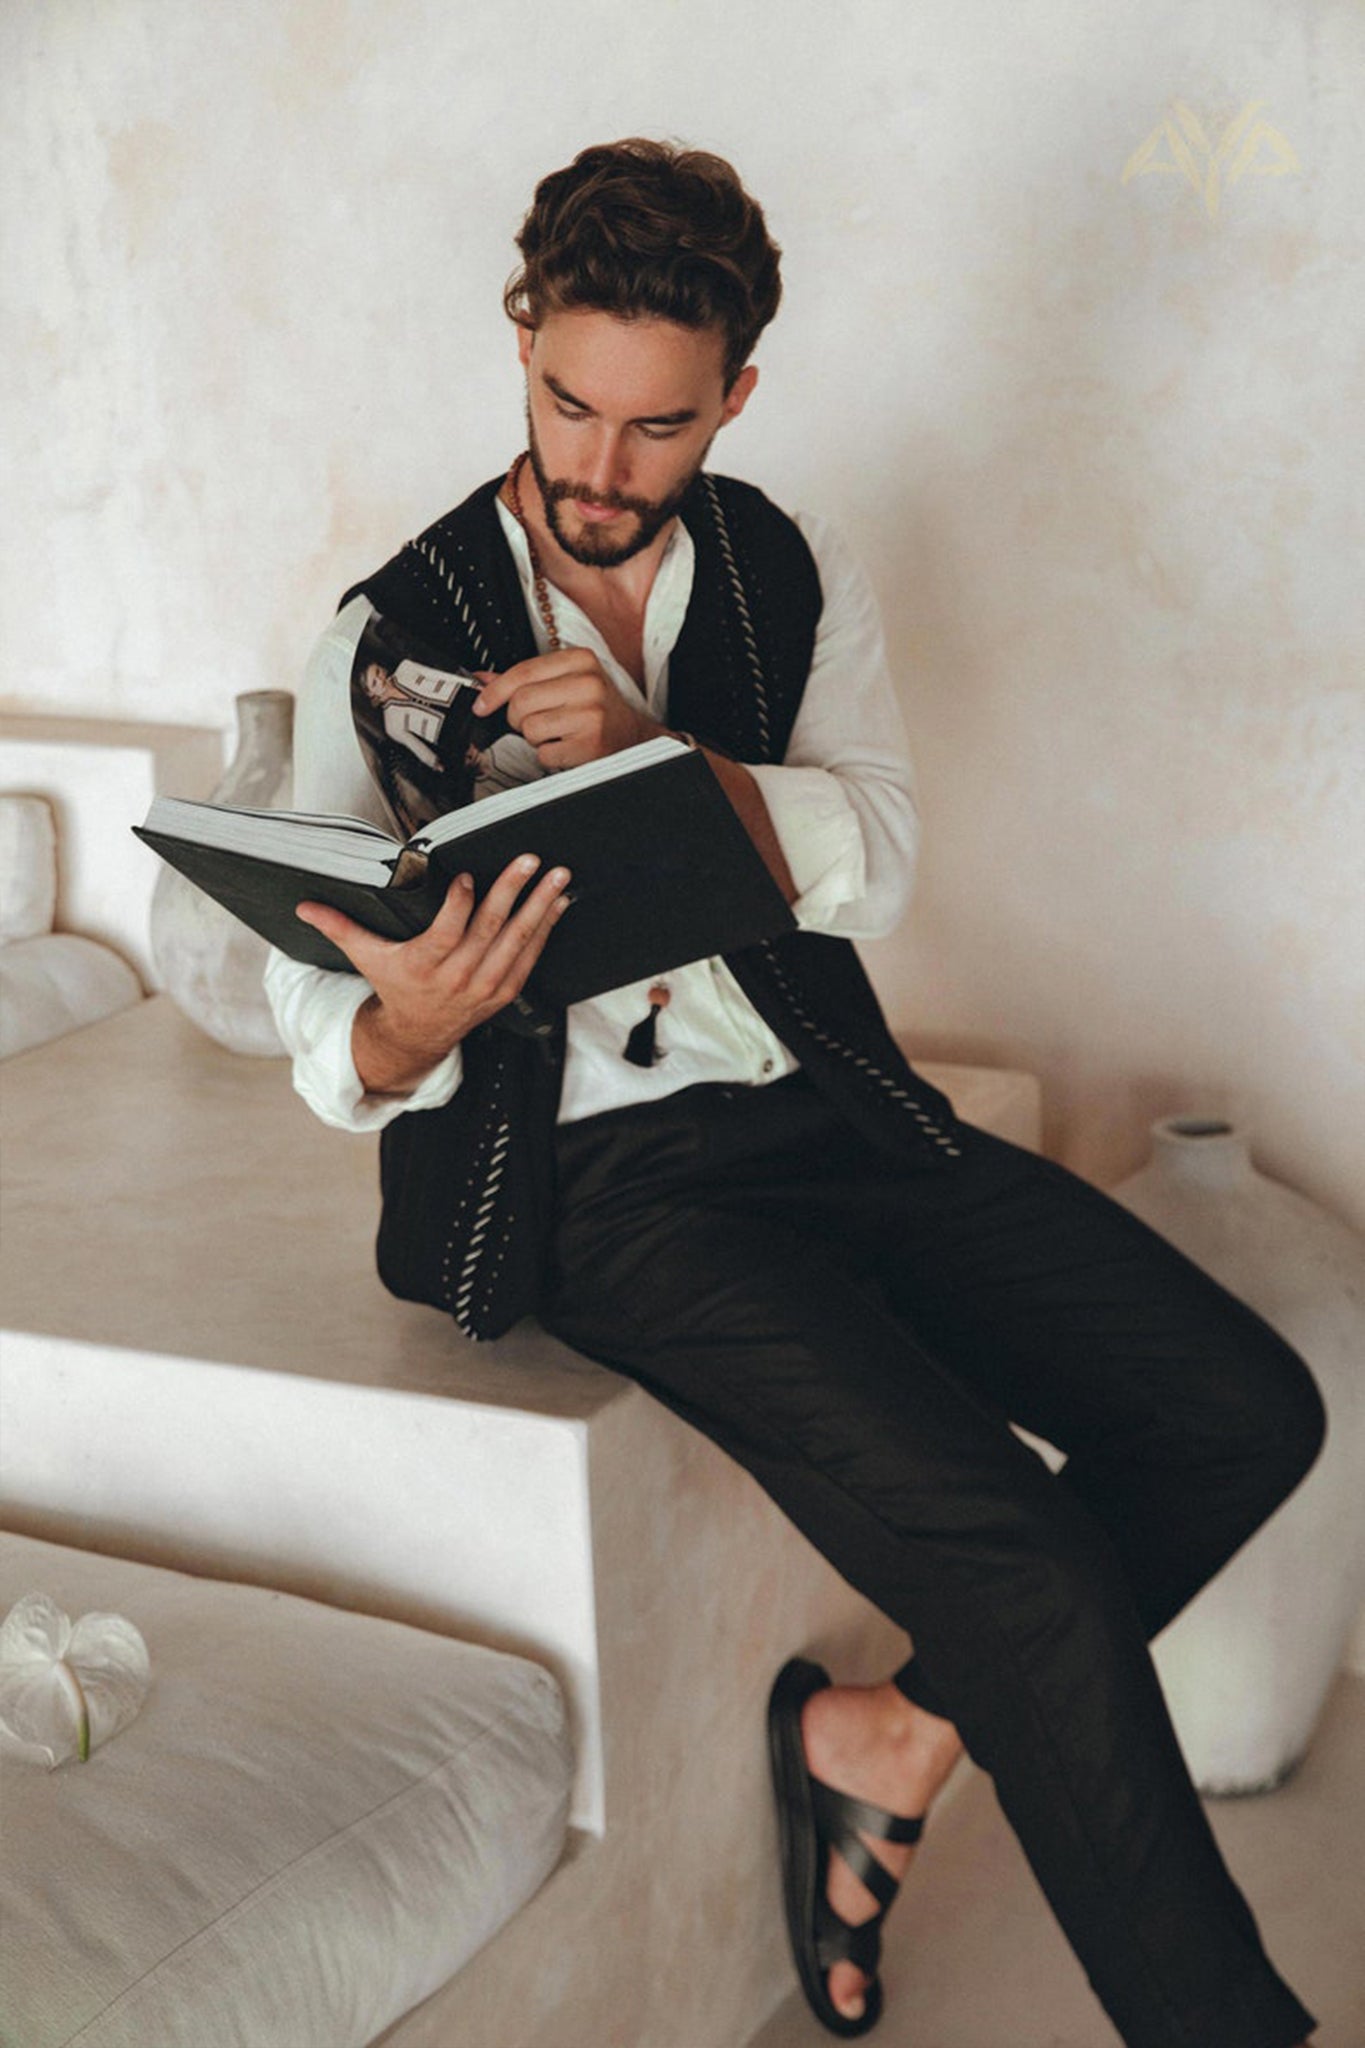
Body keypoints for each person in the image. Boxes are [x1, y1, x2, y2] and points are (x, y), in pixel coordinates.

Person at [265, 139, 1322, 2048]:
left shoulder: (777, 567)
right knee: (1028, 1569)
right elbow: (306, 1003)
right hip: (581, 1177)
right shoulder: (382, 627)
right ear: (521, 344)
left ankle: (886, 1742)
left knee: (1242, 1409)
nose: (598, 468)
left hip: (822, 1109)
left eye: (655, 426)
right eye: (566, 404)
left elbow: (886, 859)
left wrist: (677, 765)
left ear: (733, 397)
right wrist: (408, 1022)